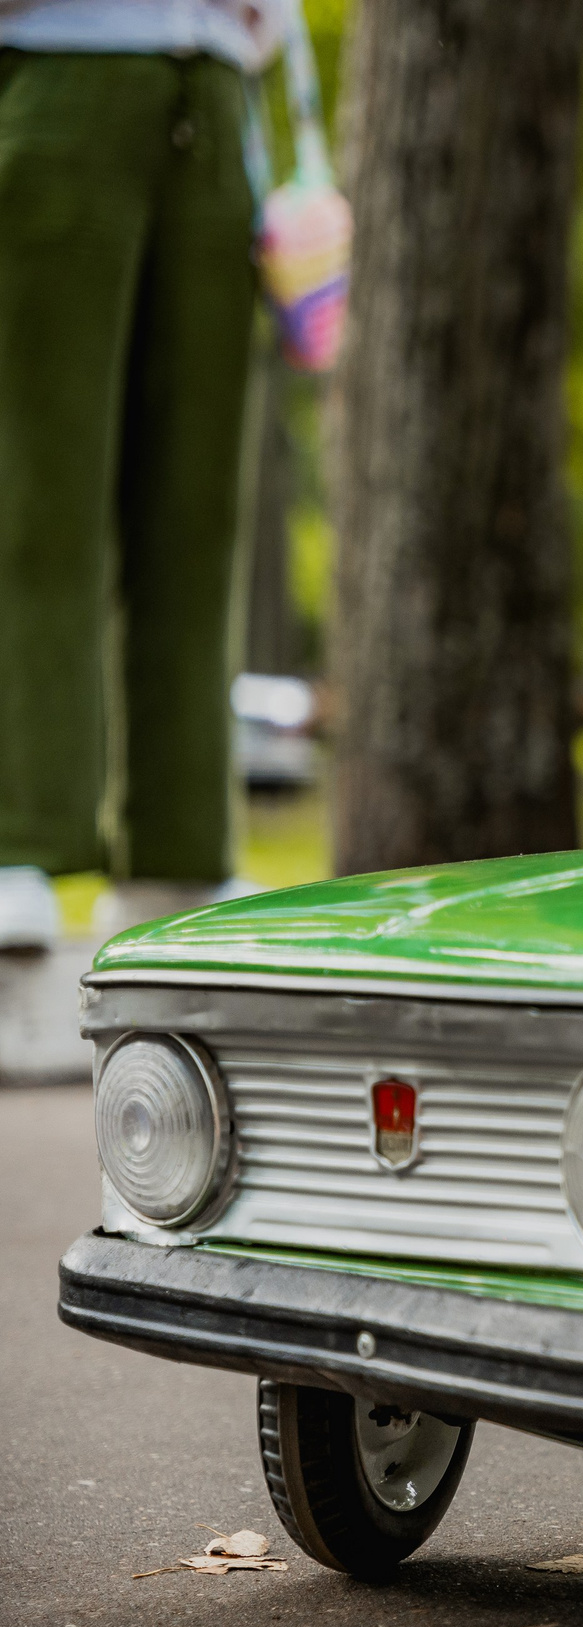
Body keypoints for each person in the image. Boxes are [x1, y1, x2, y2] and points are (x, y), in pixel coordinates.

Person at [0, 0, 281, 947]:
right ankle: (16, 839)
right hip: (50, 66)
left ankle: (180, 849)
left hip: (216, 81)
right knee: (38, 488)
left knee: (197, 513)